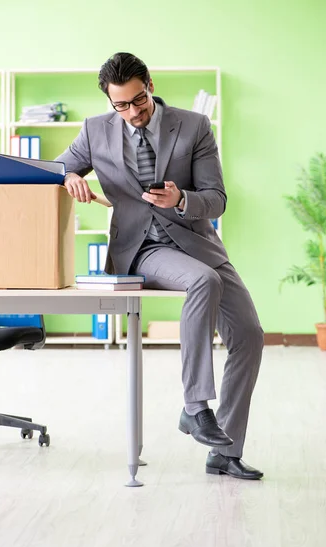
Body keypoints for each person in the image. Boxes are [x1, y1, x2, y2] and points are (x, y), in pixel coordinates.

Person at [56, 52, 264, 480]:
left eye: (138, 101)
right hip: (142, 249)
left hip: (197, 241)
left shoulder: (193, 126)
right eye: (121, 106)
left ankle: (225, 453)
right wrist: (68, 177)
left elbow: (217, 197)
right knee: (203, 283)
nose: (132, 113)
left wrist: (182, 199)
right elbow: (58, 167)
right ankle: (194, 406)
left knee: (249, 335)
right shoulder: (96, 131)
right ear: (109, 102)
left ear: (149, 84)